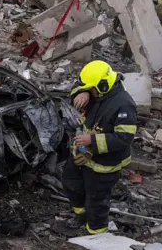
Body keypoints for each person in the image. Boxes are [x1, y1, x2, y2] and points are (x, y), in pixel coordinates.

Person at [62, 60, 137, 235]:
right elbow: (76, 88)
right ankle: (80, 216)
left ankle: (96, 233)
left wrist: (91, 141)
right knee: (71, 182)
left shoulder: (124, 104)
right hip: (84, 153)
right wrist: (83, 91)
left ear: (103, 85)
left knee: (96, 201)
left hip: (105, 162)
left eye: (92, 89)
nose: (91, 92)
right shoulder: (96, 90)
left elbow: (123, 138)